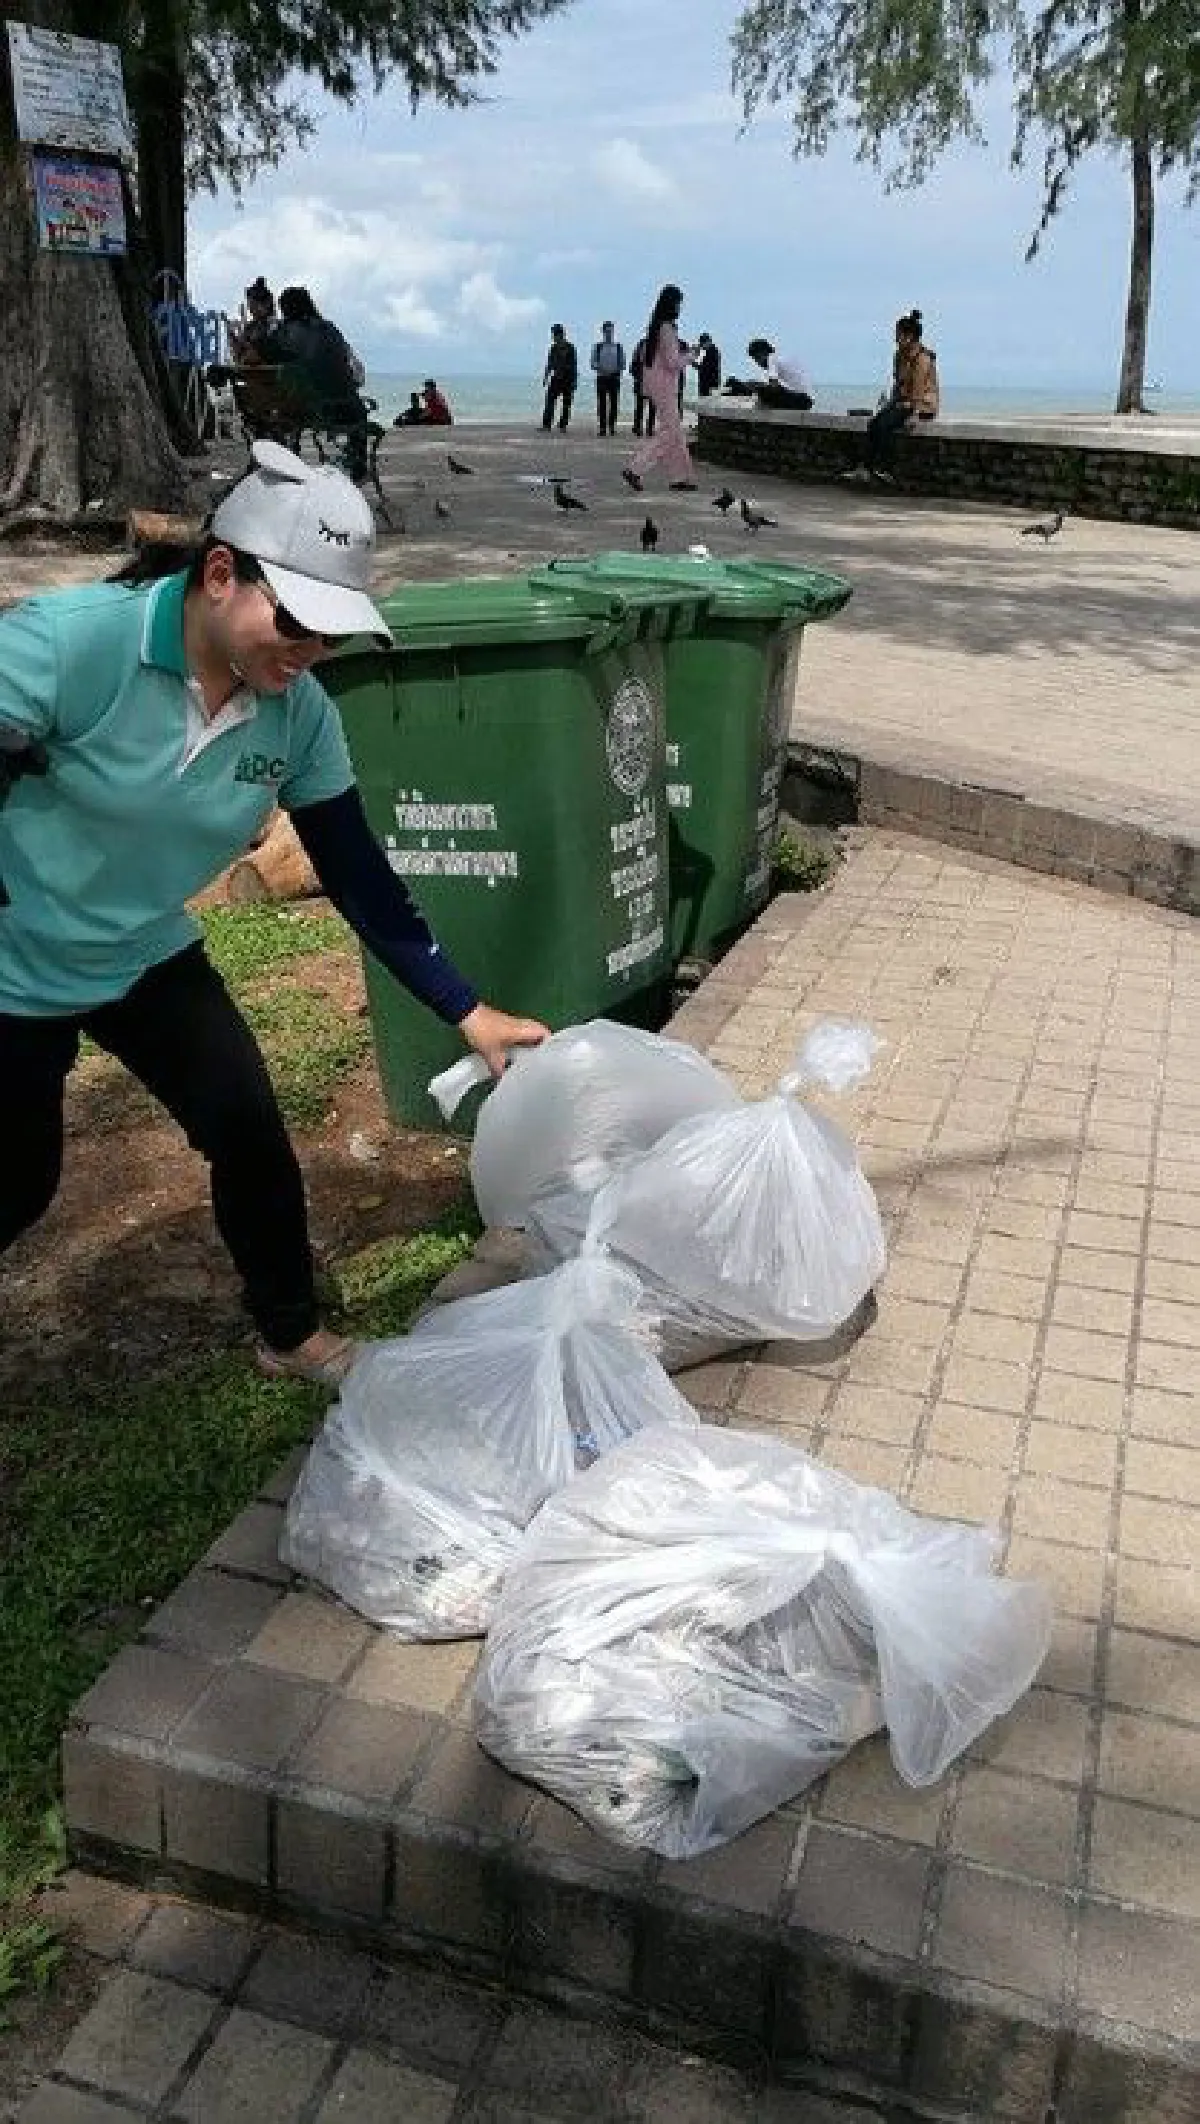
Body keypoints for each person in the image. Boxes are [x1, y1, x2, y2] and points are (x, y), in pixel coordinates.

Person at [0, 441, 548, 1389]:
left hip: (138, 952)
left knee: (247, 1125)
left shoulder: (297, 714)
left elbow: (358, 874)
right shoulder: (68, 646)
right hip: (14, 961)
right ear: (222, 575)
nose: (312, 652)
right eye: (297, 621)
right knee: (18, 1180)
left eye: (334, 633)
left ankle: (291, 1336)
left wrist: (466, 1007)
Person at [262, 286, 371, 474]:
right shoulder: (329, 328)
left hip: (303, 409)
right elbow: (352, 368)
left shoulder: (282, 333)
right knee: (359, 412)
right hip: (342, 408)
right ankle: (359, 464)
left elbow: (269, 359)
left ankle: (291, 462)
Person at [622, 285, 696, 493]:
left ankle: (680, 477)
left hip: (657, 385)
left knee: (674, 432)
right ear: (673, 304)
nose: (680, 307)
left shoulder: (656, 328)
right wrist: (691, 355)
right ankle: (636, 469)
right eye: (679, 303)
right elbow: (673, 362)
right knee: (670, 432)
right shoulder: (666, 328)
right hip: (665, 386)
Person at [859, 309, 939, 481]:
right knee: (874, 423)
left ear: (909, 336)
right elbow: (898, 383)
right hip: (903, 403)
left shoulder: (922, 358)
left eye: (898, 335)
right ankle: (867, 467)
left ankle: (886, 467)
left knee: (886, 425)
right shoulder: (899, 356)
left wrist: (915, 415)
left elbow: (918, 389)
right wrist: (889, 403)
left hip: (922, 405)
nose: (896, 339)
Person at [723, 338, 813, 410]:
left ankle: (735, 388)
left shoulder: (771, 358)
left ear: (763, 353)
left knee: (758, 389)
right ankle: (737, 388)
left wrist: (755, 385)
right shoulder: (781, 357)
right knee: (757, 387)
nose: (757, 363)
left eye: (756, 359)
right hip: (805, 400)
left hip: (800, 400)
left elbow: (774, 387)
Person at [590, 320, 626, 436]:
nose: (609, 333)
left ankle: (611, 427)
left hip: (614, 378)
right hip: (601, 377)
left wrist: (616, 370)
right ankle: (602, 427)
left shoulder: (618, 347)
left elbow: (623, 364)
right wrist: (601, 369)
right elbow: (593, 363)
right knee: (602, 404)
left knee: (614, 403)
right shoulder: (598, 347)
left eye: (611, 331)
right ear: (603, 332)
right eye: (607, 331)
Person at [541, 324, 578, 431]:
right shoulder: (553, 348)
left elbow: (574, 365)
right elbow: (550, 363)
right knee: (549, 401)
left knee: (566, 403)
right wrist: (546, 377)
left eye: (554, 335)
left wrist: (574, 381)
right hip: (556, 378)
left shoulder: (570, 347)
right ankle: (546, 425)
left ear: (560, 335)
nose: (553, 337)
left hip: (568, 378)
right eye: (553, 335)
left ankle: (563, 425)